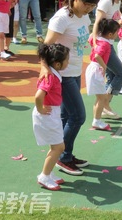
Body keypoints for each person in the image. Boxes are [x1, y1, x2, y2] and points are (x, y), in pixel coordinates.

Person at [42, 0, 101, 176]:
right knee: (78, 116)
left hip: (75, 70)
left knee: (67, 116)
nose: (89, 10)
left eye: (92, 6)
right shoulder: (62, 18)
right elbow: (46, 46)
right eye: (87, 5)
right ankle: (62, 157)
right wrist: (45, 68)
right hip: (62, 75)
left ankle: (66, 153)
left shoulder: (83, 16)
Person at [33, 43, 70, 191]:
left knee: (55, 146)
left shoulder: (54, 73)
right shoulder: (50, 77)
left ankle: (49, 173)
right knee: (59, 147)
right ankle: (44, 175)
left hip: (51, 113)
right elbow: (38, 96)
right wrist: (40, 108)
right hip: (47, 114)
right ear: (57, 63)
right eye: (67, 60)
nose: (69, 62)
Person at [86, 18, 121, 131]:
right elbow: (97, 55)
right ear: (110, 34)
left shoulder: (99, 39)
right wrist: (104, 66)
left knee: (99, 98)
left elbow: (90, 39)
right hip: (96, 69)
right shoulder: (105, 44)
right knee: (101, 98)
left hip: (93, 68)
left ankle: (97, 119)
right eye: (116, 32)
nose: (118, 34)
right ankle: (96, 120)